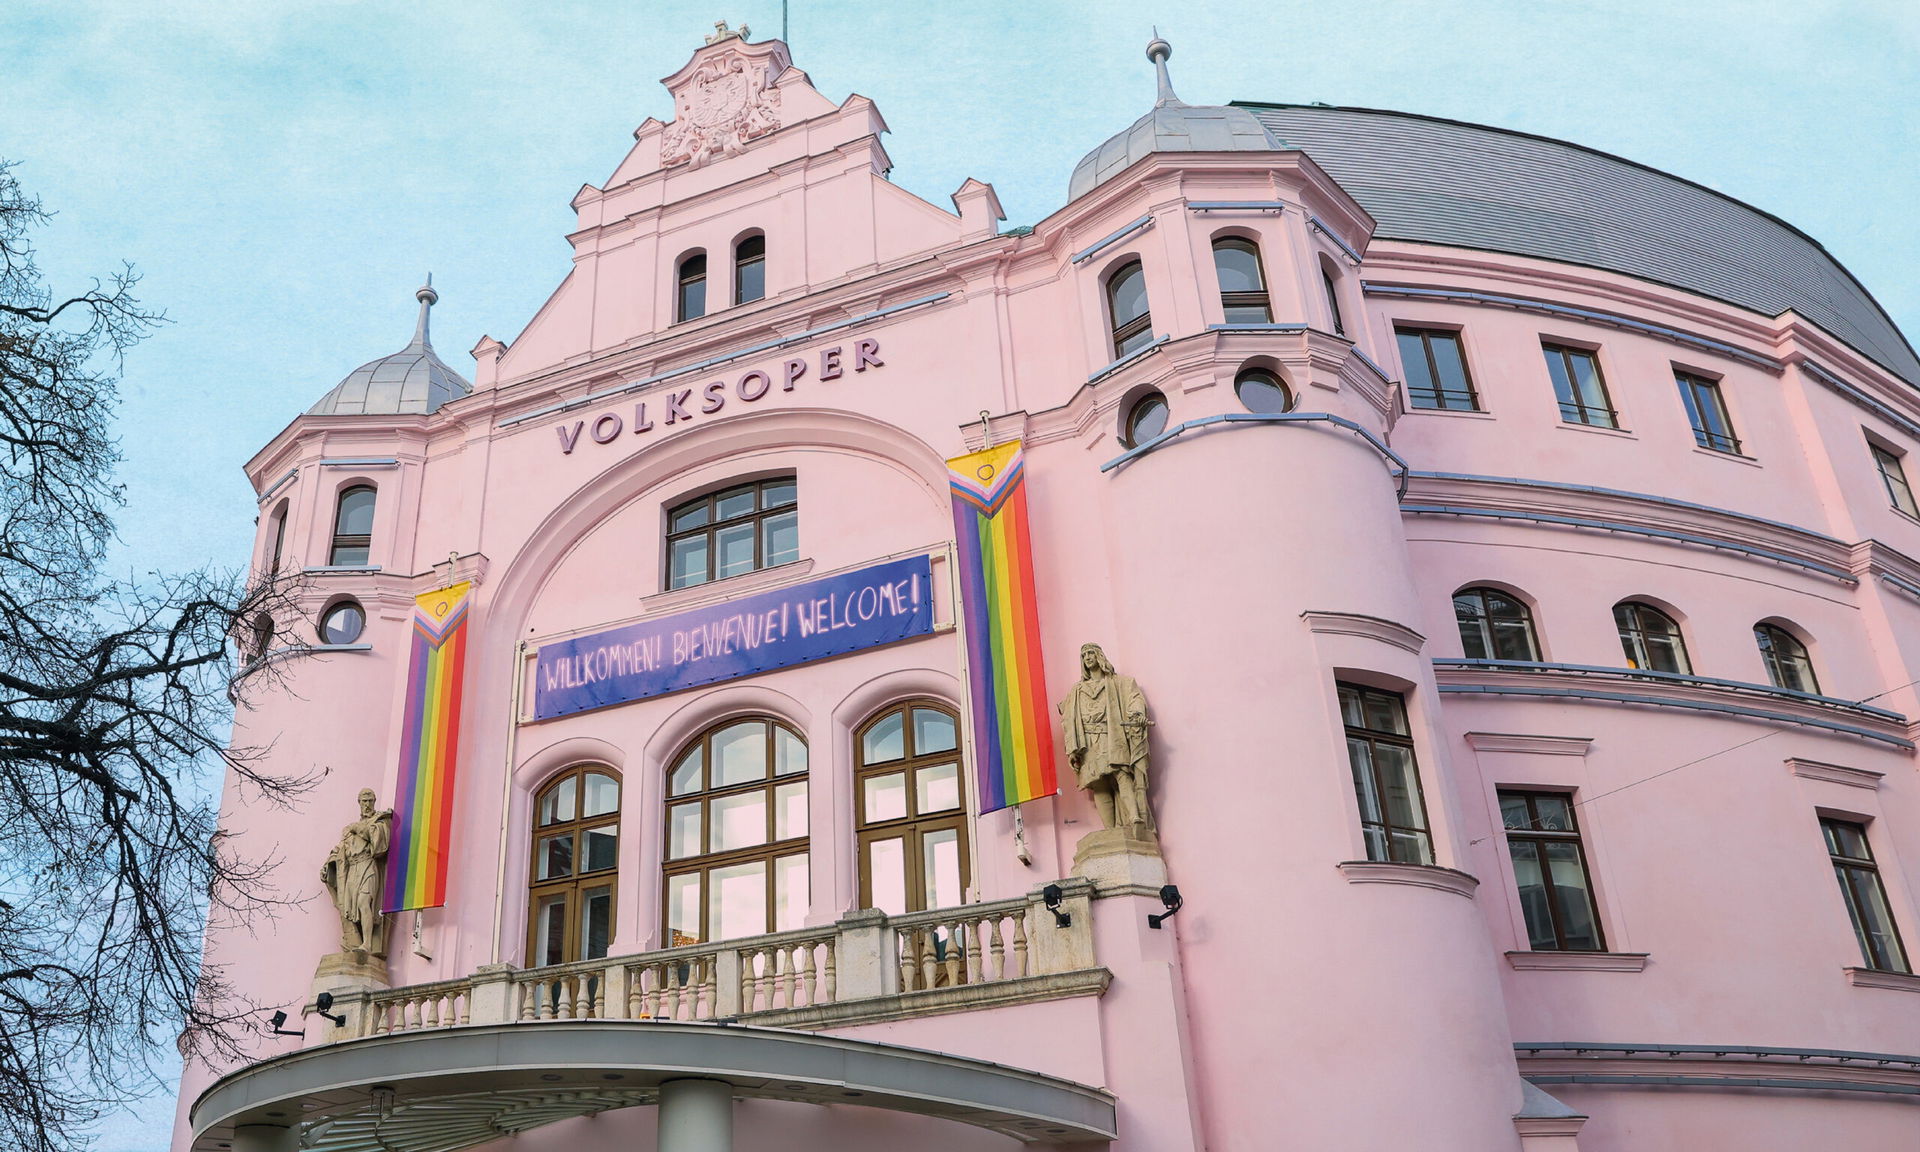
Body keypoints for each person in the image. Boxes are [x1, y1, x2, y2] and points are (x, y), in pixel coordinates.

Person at [1058, 643, 1154, 831]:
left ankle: (1135, 818)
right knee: (1098, 784)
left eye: (1091, 653)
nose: (1087, 657)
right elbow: (1067, 720)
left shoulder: (1118, 683)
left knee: (1122, 774)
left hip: (1111, 736)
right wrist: (1071, 750)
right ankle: (1110, 831)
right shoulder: (1077, 690)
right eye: (1084, 655)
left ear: (1099, 656)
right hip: (1088, 744)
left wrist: (1136, 715)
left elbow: (1134, 698)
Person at [321, 788, 393, 955]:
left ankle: (367, 944)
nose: (367, 804)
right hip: (352, 871)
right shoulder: (348, 830)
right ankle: (356, 941)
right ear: (359, 803)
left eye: (369, 800)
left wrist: (358, 828)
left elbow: (380, 843)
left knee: (363, 902)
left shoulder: (380, 821)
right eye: (363, 801)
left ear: (374, 801)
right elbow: (340, 849)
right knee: (352, 910)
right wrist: (328, 864)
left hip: (368, 865)